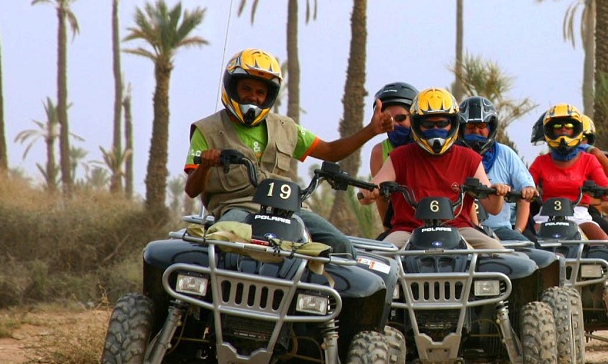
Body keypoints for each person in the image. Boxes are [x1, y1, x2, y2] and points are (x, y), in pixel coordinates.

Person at [184, 48, 390, 255]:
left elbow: (331, 152)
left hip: (288, 209)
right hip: (237, 208)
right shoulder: (207, 130)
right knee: (221, 242)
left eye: (260, 92)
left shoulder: (286, 127)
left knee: (341, 247)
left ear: (269, 96)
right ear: (232, 88)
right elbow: (191, 190)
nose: (253, 97)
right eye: (246, 89)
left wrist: (371, 130)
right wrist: (205, 165)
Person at [358, 88, 510, 249]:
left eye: (442, 123)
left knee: (499, 253)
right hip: (407, 231)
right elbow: (365, 195)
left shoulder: (469, 158)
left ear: (453, 124)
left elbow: (493, 208)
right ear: (416, 124)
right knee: (381, 259)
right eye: (428, 124)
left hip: (460, 229)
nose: (435, 129)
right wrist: (369, 192)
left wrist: (497, 192)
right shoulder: (399, 157)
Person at [528, 104, 608, 241]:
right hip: (546, 215)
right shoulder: (540, 161)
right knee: (531, 244)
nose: (563, 129)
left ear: (576, 129)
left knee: (604, 241)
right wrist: (527, 189)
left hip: (579, 215)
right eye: (558, 126)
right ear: (550, 130)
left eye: (568, 126)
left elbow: (605, 186)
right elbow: (526, 183)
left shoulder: (589, 160)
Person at [459, 95, 537, 242]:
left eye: (481, 126)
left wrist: (518, 231)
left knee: (527, 250)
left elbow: (526, 191)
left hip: (499, 230)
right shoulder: (454, 154)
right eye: (470, 127)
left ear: (491, 127)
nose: (476, 131)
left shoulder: (505, 153)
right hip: (461, 229)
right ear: (461, 129)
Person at [368, 81, 418, 226]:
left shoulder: (427, 147)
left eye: (401, 118)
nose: (395, 124)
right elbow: (381, 201)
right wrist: (388, 231)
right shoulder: (379, 152)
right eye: (388, 119)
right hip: (401, 226)